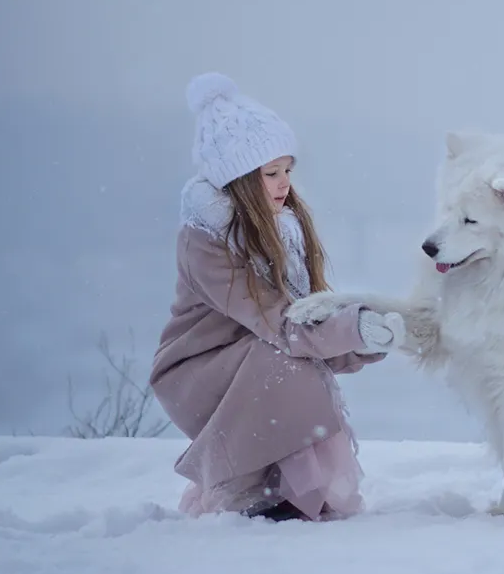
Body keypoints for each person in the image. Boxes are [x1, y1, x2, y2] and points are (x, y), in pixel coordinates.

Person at [149, 72, 404, 523]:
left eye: (288, 169)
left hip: (255, 353)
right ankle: (253, 495)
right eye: (271, 173)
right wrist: (349, 328)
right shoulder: (205, 240)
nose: (284, 182)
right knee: (282, 358)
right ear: (240, 178)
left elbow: (310, 321)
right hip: (198, 369)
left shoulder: (283, 228)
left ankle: (286, 493)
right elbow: (281, 322)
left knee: (286, 357)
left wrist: (366, 337)